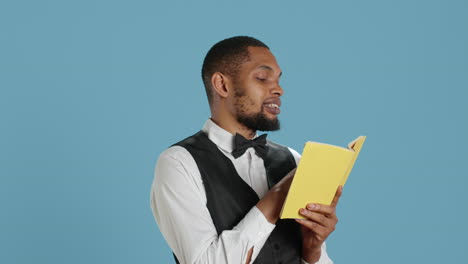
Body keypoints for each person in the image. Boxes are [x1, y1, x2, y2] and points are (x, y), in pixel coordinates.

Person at [150, 36, 342, 264]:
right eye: (262, 78)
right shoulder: (179, 163)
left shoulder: (293, 160)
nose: (278, 89)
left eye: (279, 80)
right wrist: (276, 199)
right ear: (222, 85)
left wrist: (312, 251)